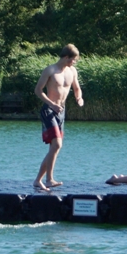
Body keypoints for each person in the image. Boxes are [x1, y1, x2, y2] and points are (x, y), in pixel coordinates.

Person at [33, 44, 84, 191]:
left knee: (54, 148)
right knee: (57, 145)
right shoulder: (50, 70)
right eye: (73, 59)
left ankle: (38, 181)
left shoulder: (72, 71)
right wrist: (52, 104)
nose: (74, 62)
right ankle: (49, 179)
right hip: (49, 110)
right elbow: (38, 90)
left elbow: (77, 88)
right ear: (66, 57)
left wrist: (79, 98)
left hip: (61, 111)